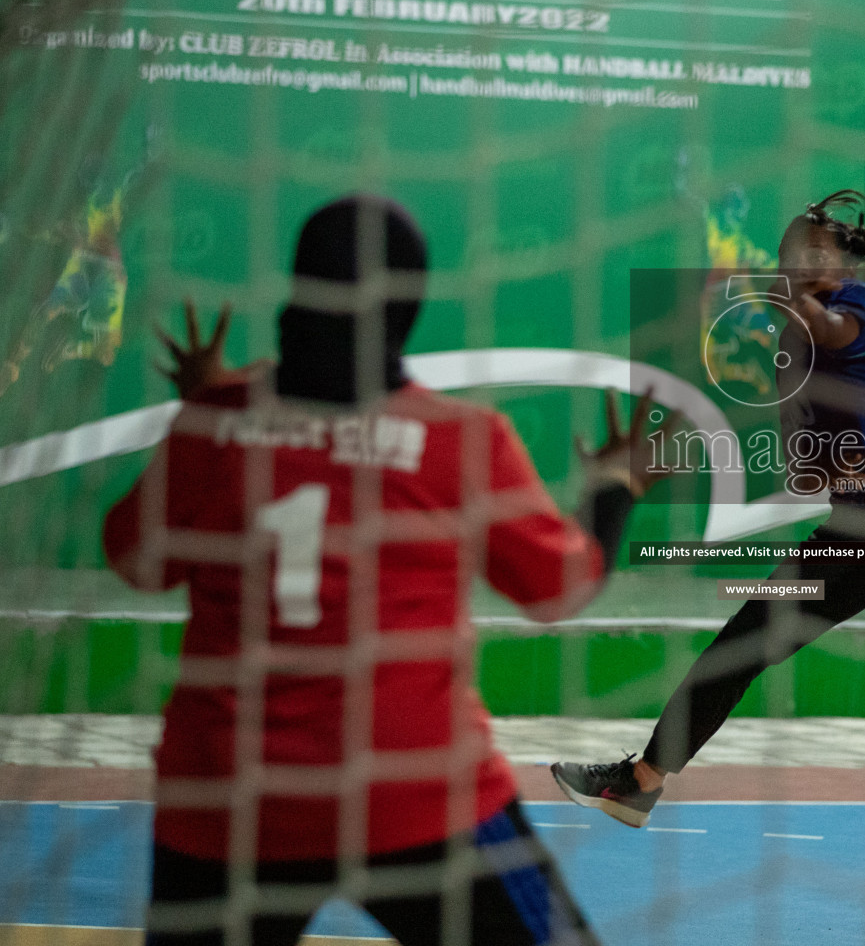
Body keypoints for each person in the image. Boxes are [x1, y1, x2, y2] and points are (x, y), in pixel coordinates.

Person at [104, 195, 670, 946]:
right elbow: (560, 589)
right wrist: (613, 491)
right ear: (407, 307)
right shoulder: (460, 442)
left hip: (227, 805)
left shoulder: (213, 423)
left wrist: (209, 410)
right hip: (414, 796)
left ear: (298, 287)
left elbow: (137, 562)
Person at [550, 189, 865, 828]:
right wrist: (838, 465)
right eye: (788, 256)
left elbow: (831, 328)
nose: (798, 263)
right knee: (746, 638)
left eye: (813, 253)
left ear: (847, 265)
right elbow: (803, 468)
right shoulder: (791, 353)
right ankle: (643, 781)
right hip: (863, 527)